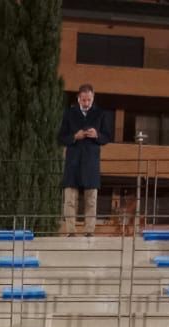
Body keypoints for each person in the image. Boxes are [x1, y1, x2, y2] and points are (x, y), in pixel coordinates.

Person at [58, 84, 114, 237]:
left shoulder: (100, 114)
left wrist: (97, 135)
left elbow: (107, 137)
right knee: (69, 199)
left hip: (91, 162)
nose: (86, 102)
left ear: (93, 98)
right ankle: (71, 231)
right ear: (78, 98)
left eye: (89, 100)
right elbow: (61, 137)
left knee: (91, 200)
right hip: (73, 162)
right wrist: (74, 137)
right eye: (83, 100)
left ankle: (89, 231)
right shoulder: (69, 113)